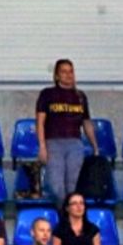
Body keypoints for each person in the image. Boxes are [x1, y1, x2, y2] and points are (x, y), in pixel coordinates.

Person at [36, 58, 98, 203]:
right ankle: (62, 213)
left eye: (71, 71)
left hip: (75, 143)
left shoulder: (80, 96)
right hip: (53, 143)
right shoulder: (47, 94)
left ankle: (70, 214)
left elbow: (86, 122)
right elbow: (40, 122)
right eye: (64, 72)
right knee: (56, 185)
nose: (68, 75)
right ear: (57, 76)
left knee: (73, 185)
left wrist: (95, 146)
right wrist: (42, 146)